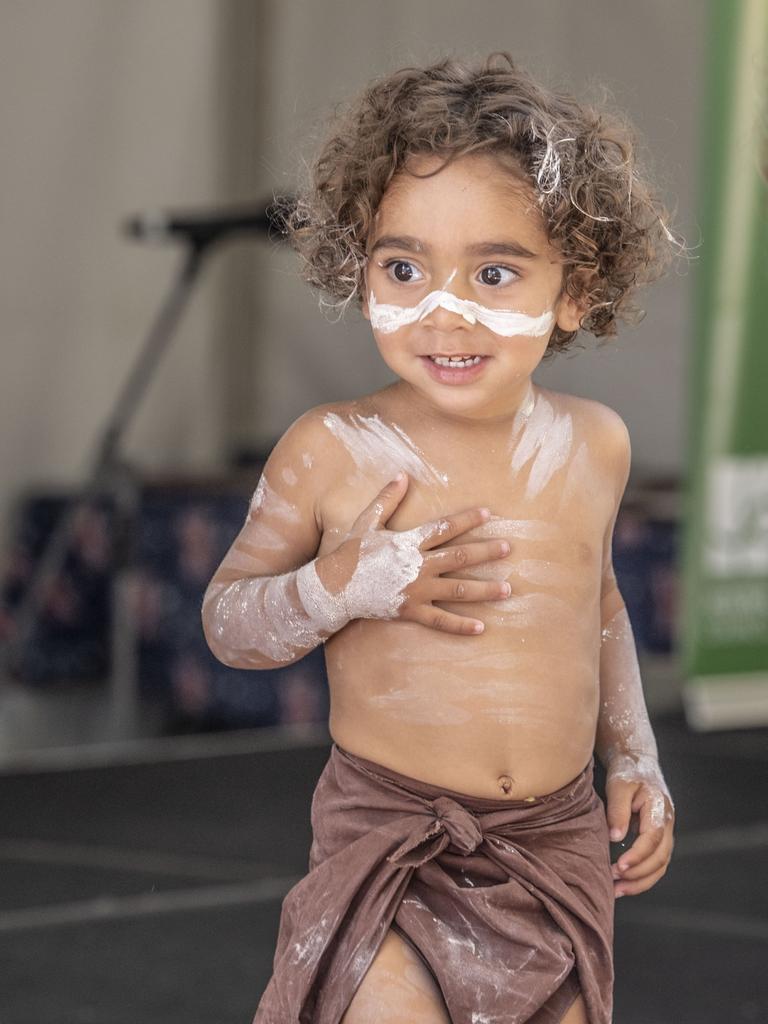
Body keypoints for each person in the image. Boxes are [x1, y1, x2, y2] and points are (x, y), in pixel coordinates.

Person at [202, 52, 680, 1024]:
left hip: (553, 842)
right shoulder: (330, 451)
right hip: (392, 837)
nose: (443, 309)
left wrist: (634, 753)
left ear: (576, 289)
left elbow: (600, 603)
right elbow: (227, 622)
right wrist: (336, 587)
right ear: (357, 264)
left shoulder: (596, 444)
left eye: (495, 271)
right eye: (404, 266)